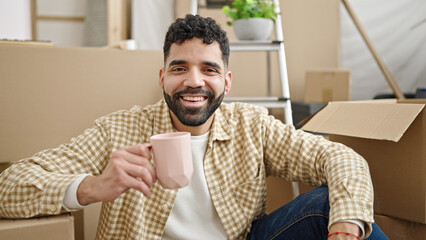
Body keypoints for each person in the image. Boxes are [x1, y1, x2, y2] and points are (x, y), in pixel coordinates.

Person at [0, 14, 387, 240]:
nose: (194, 82)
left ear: (227, 82)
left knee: (326, 203)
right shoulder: (117, 130)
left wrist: (346, 223)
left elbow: (339, 157)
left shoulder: (252, 126)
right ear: (162, 77)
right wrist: (92, 186)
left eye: (209, 70)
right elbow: (10, 186)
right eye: (180, 68)